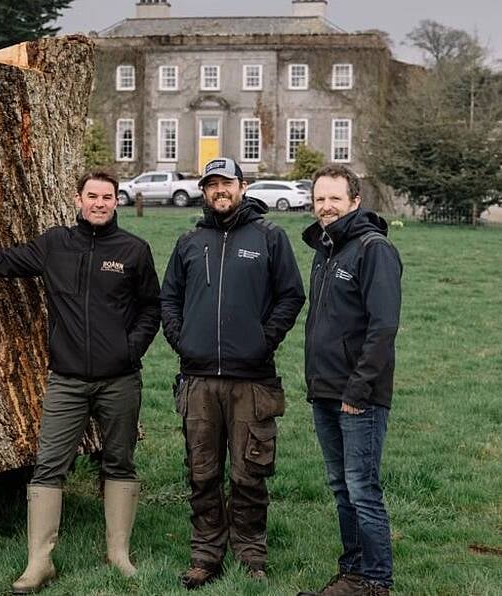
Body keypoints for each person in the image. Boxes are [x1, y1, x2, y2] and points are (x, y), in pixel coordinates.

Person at [0, 170, 161, 594]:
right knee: (49, 466)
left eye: (107, 197)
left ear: (117, 201)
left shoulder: (134, 251)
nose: (99, 203)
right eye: (92, 196)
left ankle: (119, 555)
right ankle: (39, 563)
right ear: (78, 199)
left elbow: (151, 308)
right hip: (66, 380)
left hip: (120, 380)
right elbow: (3, 261)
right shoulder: (54, 245)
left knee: (119, 462)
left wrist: (130, 348)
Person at [160, 157, 305, 589]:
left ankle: (251, 552)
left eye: (227, 183)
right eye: (212, 185)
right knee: (202, 472)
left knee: (249, 473)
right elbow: (169, 298)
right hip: (199, 379)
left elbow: (292, 296)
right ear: (204, 191)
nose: (220, 191)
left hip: (252, 380)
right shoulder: (190, 241)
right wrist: (182, 341)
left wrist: (264, 340)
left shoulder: (269, 237)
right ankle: (205, 554)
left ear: (243, 186)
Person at [297, 164, 402, 596]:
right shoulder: (327, 250)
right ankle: (353, 573)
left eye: (335, 198)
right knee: (342, 487)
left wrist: (357, 390)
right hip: (325, 390)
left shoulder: (373, 249)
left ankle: (376, 582)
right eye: (320, 199)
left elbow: (382, 328)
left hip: (358, 394)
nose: (326, 206)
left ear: (355, 201)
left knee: (362, 489)